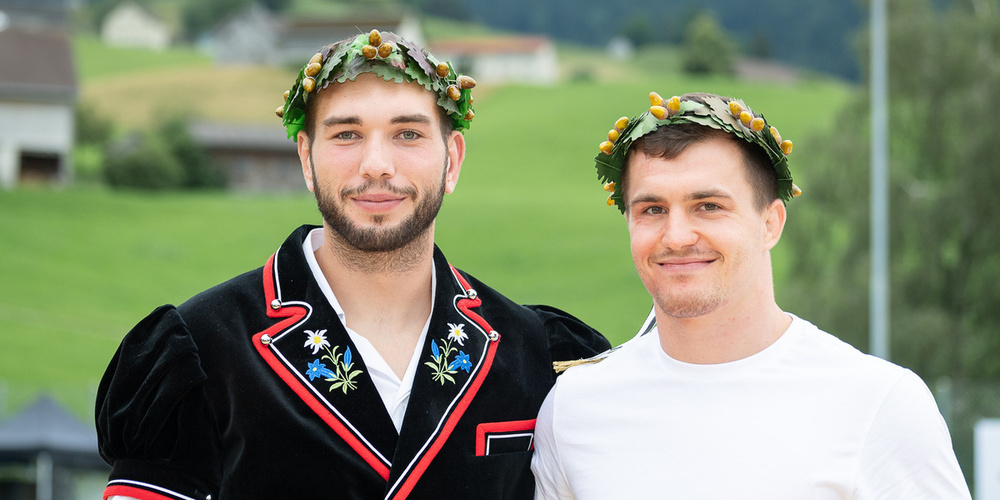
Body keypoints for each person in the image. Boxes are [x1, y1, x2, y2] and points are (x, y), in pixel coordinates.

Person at [95, 30, 609, 500]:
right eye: (346, 134)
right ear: (306, 158)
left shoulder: (536, 352)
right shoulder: (202, 348)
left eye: (408, 134)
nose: (377, 164)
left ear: (452, 160)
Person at [530, 92, 971, 498]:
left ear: (771, 223)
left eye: (709, 206)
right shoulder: (575, 409)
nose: (677, 235)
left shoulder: (879, 403)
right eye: (652, 210)